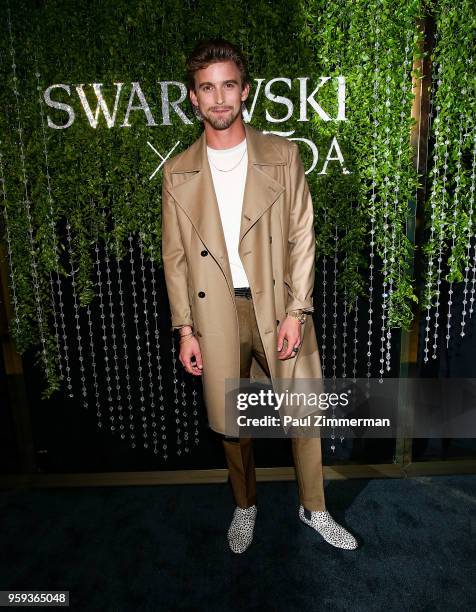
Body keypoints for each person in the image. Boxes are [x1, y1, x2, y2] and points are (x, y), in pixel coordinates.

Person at [161, 38, 358, 553]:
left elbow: (302, 236)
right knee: (233, 425)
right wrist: (185, 329)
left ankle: (314, 508)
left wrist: (298, 310)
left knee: (304, 414)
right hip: (215, 313)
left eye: (228, 85)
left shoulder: (282, 155)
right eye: (208, 88)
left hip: (277, 306)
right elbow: (176, 258)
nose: (219, 98)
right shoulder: (178, 171)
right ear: (193, 97)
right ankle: (245, 506)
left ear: (244, 91)